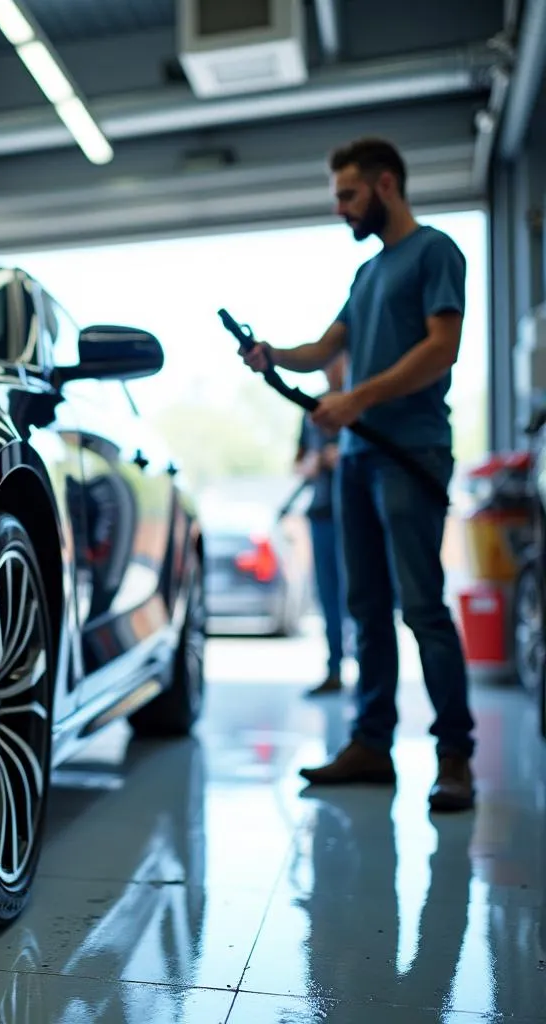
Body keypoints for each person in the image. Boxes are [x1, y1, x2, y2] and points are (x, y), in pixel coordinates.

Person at [239, 136, 476, 812]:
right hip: (359, 460)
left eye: (348, 195)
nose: (341, 209)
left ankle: (454, 756)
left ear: (386, 186)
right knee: (365, 607)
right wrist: (272, 354)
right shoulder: (368, 275)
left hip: (410, 451)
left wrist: (357, 399)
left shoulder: (434, 252)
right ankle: (371, 746)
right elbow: (326, 348)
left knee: (421, 606)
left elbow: (443, 348)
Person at [294, 353, 351, 697]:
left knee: (359, 594)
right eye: (326, 362)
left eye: (338, 361)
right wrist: (315, 462)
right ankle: (334, 668)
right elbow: (298, 462)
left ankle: (369, 673)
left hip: (356, 514)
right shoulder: (311, 409)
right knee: (328, 595)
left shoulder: (361, 401)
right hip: (322, 513)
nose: (332, 368)